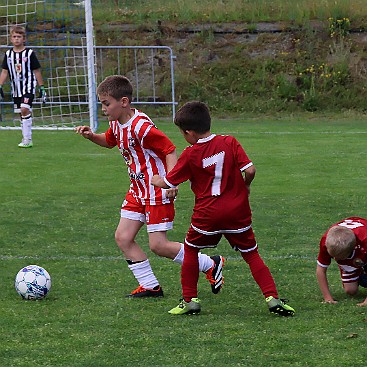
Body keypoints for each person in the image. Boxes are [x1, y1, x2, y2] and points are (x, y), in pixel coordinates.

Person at [75, 75, 224, 298]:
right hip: (137, 190)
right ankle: (150, 286)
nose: (103, 109)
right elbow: (109, 141)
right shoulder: (116, 122)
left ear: (123, 102)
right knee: (123, 237)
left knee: (158, 245)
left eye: (107, 104)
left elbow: (169, 149)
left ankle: (210, 263)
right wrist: (91, 137)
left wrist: (171, 182)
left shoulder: (141, 127)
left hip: (156, 191)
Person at [151, 101, 295, 316]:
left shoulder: (190, 154)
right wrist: (245, 186)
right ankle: (272, 297)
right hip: (238, 212)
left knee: (190, 250)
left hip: (207, 214)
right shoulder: (229, 141)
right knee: (252, 254)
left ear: (189, 133)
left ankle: (190, 300)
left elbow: (168, 183)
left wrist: (155, 179)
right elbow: (251, 170)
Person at [0, 25, 47, 148]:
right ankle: (26, 137)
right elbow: (4, 71)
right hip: (16, 89)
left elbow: (37, 71)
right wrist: (0, 85)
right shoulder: (8, 54)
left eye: (19, 37)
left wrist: (41, 87)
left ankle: (27, 139)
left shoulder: (29, 53)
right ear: (11, 39)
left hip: (29, 86)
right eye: (14, 37)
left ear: (24, 39)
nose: (16, 39)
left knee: (24, 109)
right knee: (22, 113)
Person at [316, 217, 367, 306]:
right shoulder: (327, 241)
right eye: (333, 256)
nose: (335, 259)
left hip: (362, 242)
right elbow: (320, 269)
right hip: (355, 250)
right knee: (350, 290)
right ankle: (359, 272)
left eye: (339, 258)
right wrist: (328, 298)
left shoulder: (365, 240)